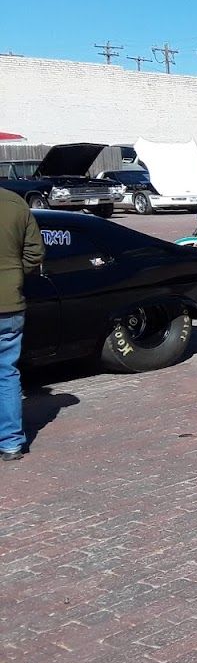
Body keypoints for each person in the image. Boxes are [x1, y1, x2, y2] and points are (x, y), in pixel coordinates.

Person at [0, 189, 44, 461]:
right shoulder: (15, 202)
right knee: (6, 373)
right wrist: (15, 274)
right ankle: (11, 442)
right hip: (9, 302)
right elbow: (35, 252)